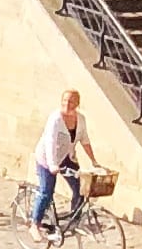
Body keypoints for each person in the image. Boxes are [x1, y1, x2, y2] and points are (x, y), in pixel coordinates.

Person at [32, 88, 99, 233]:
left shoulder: (81, 119)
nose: (67, 104)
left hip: (67, 158)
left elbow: (84, 140)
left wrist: (94, 161)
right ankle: (35, 225)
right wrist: (52, 164)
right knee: (46, 192)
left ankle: (74, 222)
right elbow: (50, 141)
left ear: (78, 103)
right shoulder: (55, 118)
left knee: (80, 188)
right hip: (47, 159)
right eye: (65, 100)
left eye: (71, 101)